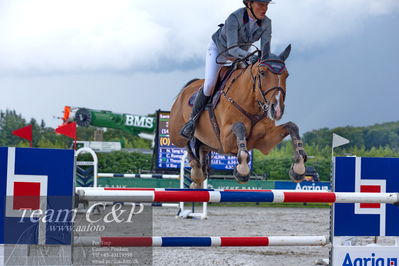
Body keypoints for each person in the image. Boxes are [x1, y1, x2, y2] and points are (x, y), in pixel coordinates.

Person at [180, 0, 273, 139]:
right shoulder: (234, 18)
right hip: (220, 50)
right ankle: (192, 121)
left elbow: (265, 50)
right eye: (261, 4)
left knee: (251, 80)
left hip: (241, 54)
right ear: (249, 4)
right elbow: (233, 49)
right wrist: (249, 57)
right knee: (210, 84)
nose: (265, 8)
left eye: (266, 5)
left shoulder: (267, 22)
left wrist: (265, 62)